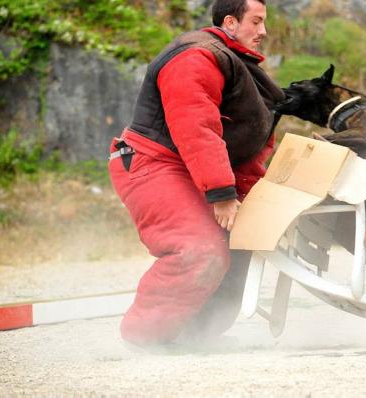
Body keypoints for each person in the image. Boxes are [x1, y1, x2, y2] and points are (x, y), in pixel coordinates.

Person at [108, 0, 284, 346]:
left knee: (239, 242)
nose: (263, 32)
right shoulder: (196, 56)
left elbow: (241, 146)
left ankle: (194, 338)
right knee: (199, 251)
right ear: (231, 23)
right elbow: (196, 128)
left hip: (191, 168)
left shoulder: (236, 63)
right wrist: (221, 193)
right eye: (256, 21)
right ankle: (144, 340)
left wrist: (255, 200)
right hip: (152, 163)